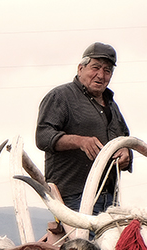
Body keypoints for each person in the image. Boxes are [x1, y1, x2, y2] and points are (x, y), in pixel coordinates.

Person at [35, 42, 132, 215]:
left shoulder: (112, 105)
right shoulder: (61, 96)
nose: (101, 75)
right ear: (80, 68)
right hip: (72, 197)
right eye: (95, 67)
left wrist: (126, 152)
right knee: (85, 242)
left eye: (107, 70)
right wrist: (79, 141)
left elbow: (124, 137)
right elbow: (43, 136)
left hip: (110, 199)